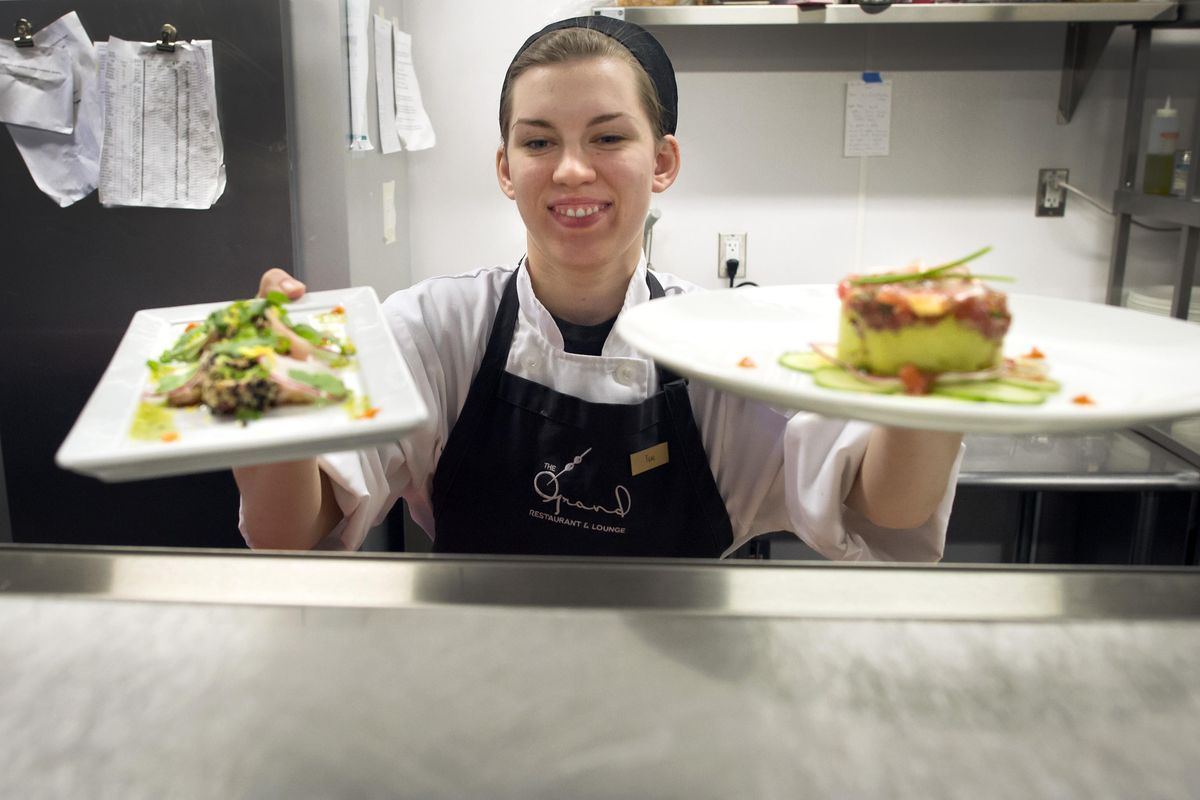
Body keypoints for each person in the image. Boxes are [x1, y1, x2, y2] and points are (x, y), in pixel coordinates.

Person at [235, 16, 963, 560]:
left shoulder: (723, 344)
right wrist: (272, 403)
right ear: (505, 167)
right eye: (539, 141)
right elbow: (287, 538)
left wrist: (923, 370)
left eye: (609, 138)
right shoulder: (432, 329)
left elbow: (885, 509)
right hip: (477, 702)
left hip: (680, 712)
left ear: (663, 161)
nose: (572, 171)